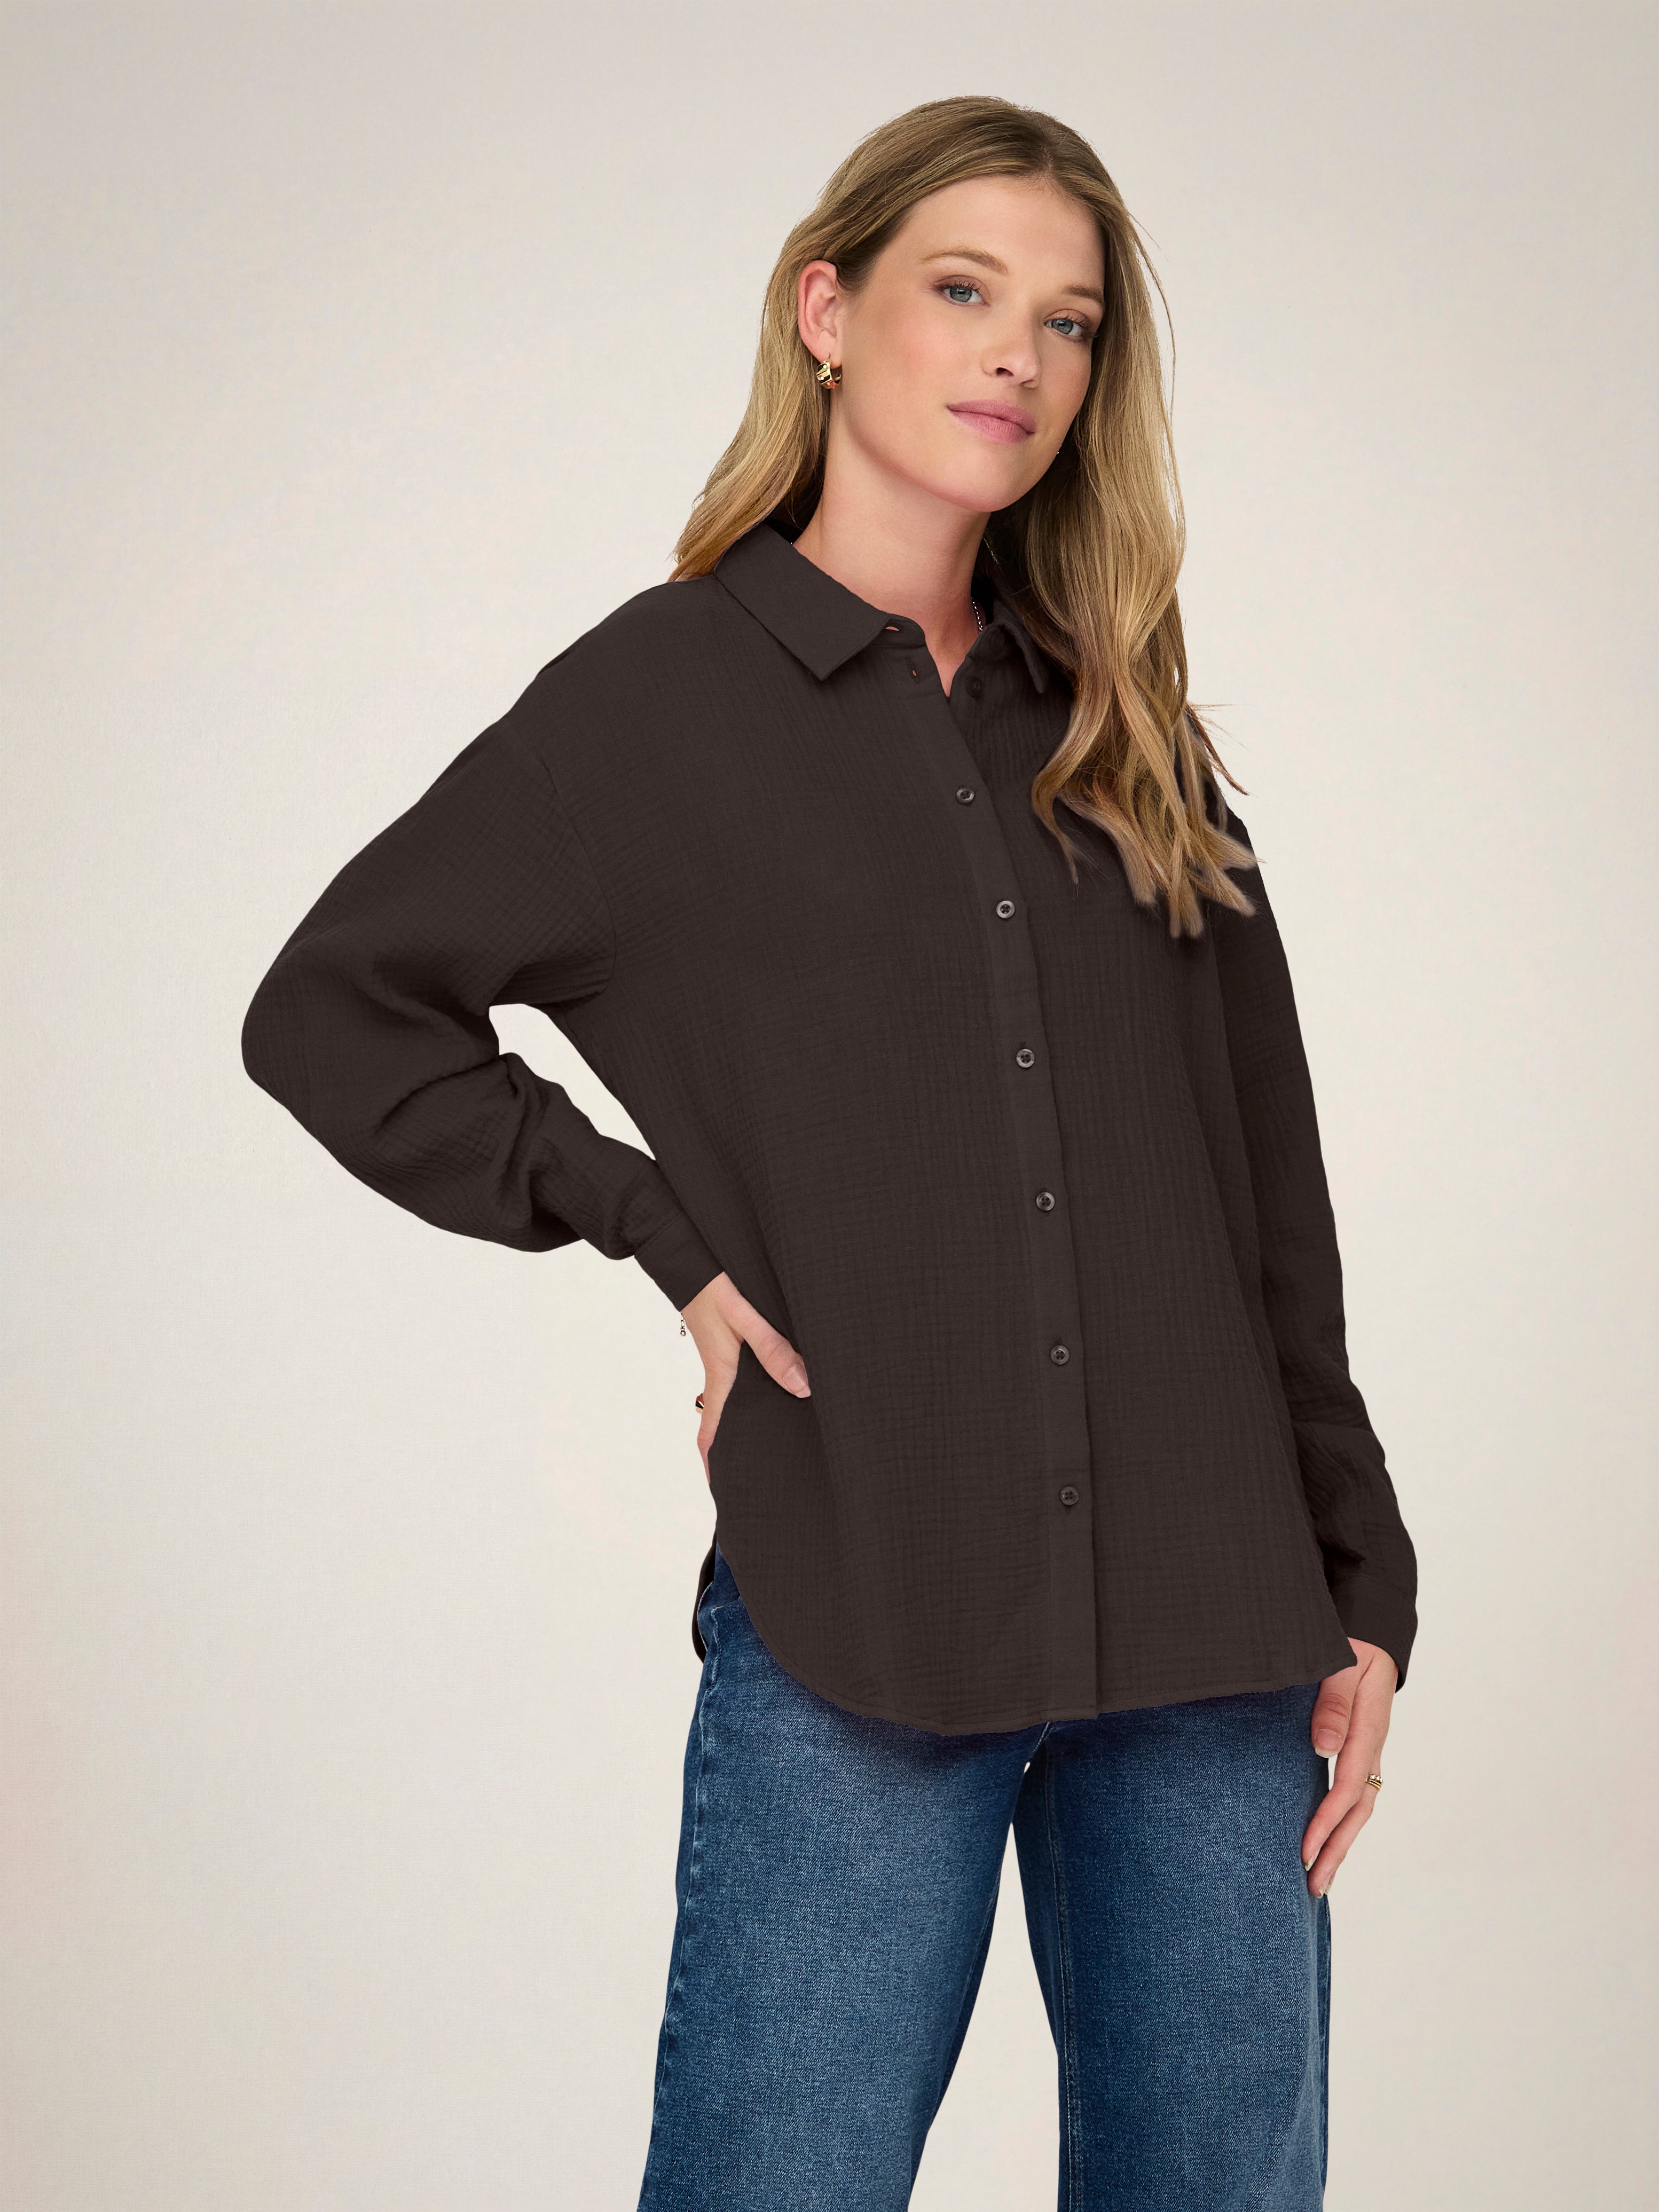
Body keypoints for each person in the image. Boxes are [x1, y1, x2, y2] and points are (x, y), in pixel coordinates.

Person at [241, 93, 1417, 2212]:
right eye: (962, 290)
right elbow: (333, 1007)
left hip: (1216, 1627)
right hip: (861, 1587)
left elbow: (1267, 1190)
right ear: (826, 311)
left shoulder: (1126, 728)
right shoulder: (655, 705)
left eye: (1067, 322)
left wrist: (1363, 1583)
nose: (1016, 357)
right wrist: (653, 1228)